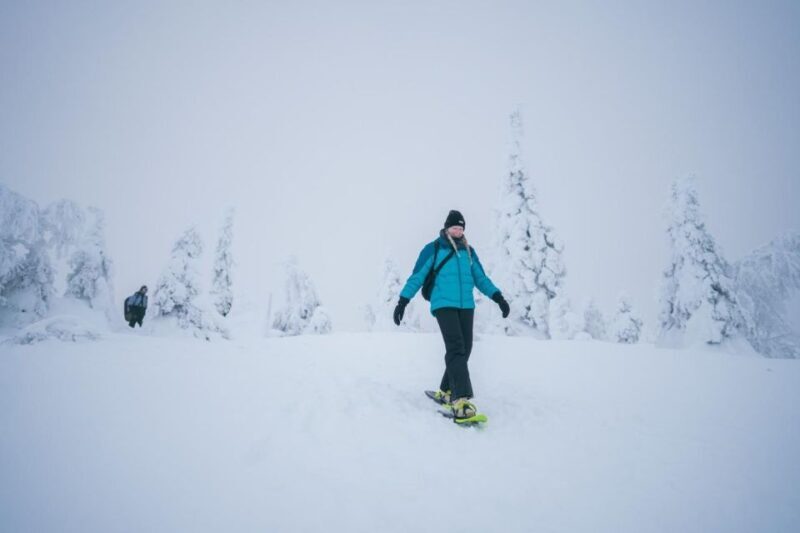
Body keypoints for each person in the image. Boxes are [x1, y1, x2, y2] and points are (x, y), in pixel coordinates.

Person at [394, 210, 510, 420]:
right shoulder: (434, 248)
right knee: (456, 347)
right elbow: (417, 276)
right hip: (443, 304)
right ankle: (461, 400)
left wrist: (498, 297)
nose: (458, 231)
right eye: (455, 227)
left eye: (461, 228)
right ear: (447, 227)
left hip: (466, 305)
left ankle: (446, 391)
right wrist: (403, 301)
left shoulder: (469, 251)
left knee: (466, 348)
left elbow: (481, 278)